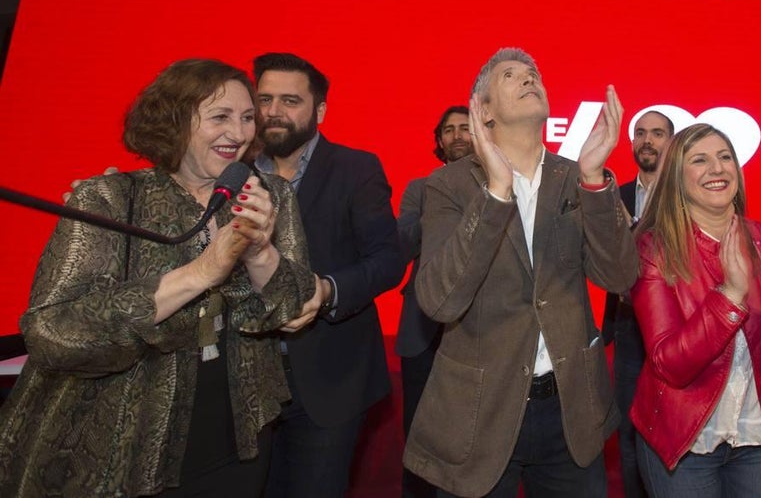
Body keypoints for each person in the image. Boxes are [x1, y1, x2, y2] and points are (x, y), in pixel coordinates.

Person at [0, 58, 315, 497]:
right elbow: (52, 332)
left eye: (247, 118)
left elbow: (292, 306)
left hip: (239, 432)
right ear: (173, 122)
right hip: (118, 442)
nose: (240, 133)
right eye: (220, 117)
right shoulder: (108, 198)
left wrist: (262, 251)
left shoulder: (270, 194)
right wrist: (201, 272)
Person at [403, 47, 637, 498]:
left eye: (534, 74)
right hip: (480, 414)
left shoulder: (577, 176)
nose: (530, 79)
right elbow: (439, 299)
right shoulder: (448, 185)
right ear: (483, 111)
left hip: (571, 411)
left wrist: (593, 180)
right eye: (512, 75)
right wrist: (495, 193)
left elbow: (620, 276)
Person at [629, 123, 761, 498]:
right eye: (700, 160)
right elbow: (670, 364)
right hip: (683, 442)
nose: (717, 168)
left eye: (725, 157)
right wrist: (729, 297)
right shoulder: (653, 248)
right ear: (677, 179)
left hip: (759, 438)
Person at [253, 52, 406, 498]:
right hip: (242, 381)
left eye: (290, 101)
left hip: (327, 379)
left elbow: (386, 259)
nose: (274, 112)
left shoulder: (356, 169)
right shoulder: (233, 172)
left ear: (318, 110)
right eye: (264, 99)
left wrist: (327, 291)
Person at [396, 105, 473, 498]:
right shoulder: (419, 189)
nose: (457, 135)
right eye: (449, 130)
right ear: (439, 141)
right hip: (423, 326)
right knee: (420, 429)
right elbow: (403, 241)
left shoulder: (497, 189)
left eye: (465, 127)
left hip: (479, 327)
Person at [602, 109, 675, 498]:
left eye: (658, 133)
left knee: (673, 431)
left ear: (672, 142)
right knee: (629, 433)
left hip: (679, 325)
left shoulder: (689, 194)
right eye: (641, 133)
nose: (648, 141)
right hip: (629, 325)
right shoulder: (615, 197)